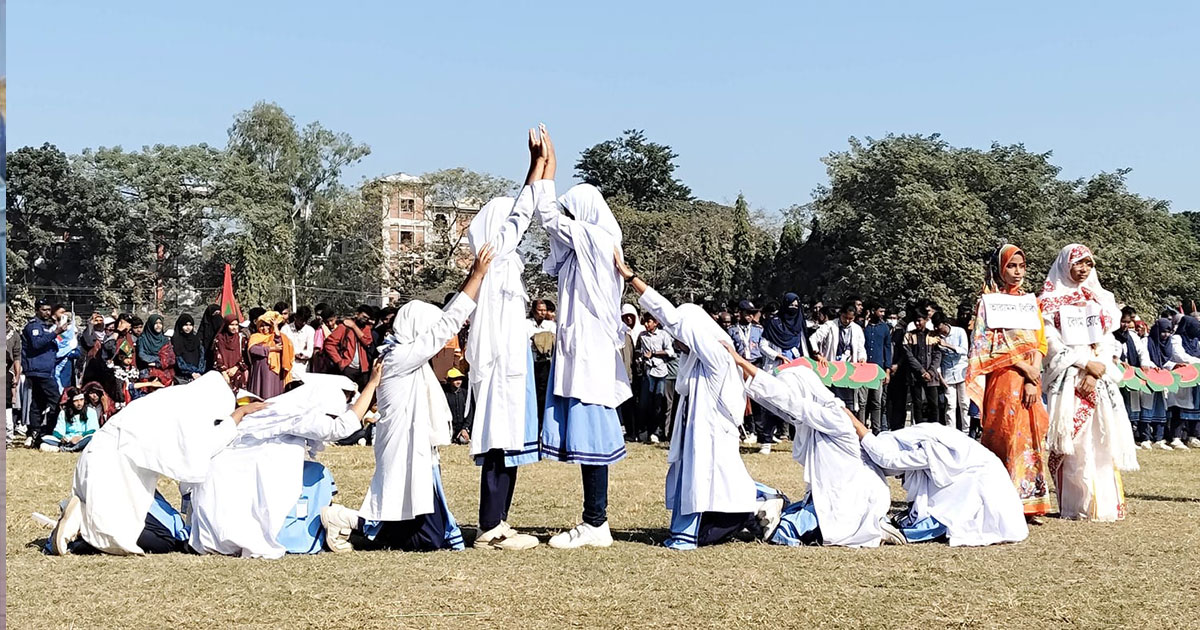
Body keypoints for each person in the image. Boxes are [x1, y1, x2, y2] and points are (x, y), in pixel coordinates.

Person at [319, 244, 494, 553]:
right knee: (426, 538)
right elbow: (447, 325)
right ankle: (346, 520)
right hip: (404, 447)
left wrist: (474, 275)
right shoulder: (401, 355)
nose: (437, 344)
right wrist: (477, 275)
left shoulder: (399, 355)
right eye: (427, 331)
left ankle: (355, 525)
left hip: (411, 447)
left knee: (428, 532)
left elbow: (443, 327)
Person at [617, 253, 784, 549]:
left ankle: (759, 502)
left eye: (678, 333)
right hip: (697, 435)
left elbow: (675, 319)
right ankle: (750, 505)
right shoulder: (694, 359)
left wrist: (632, 279)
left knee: (713, 506)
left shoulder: (716, 353)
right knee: (700, 488)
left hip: (711, 436)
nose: (675, 340)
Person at [532, 125, 632, 549]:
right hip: (584, 351)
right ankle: (594, 521)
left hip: (589, 354)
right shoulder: (588, 246)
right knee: (589, 439)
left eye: (572, 215)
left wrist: (545, 165)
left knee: (593, 440)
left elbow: (547, 217)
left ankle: (596, 523)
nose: (566, 225)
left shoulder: (595, 238)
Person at [47, 371, 267, 555]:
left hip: (98, 461)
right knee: (166, 538)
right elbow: (203, 448)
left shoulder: (164, 400)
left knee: (152, 521)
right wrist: (237, 416)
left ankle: (79, 522)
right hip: (114, 472)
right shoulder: (186, 413)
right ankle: (84, 522)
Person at [185, 370, 381, 558]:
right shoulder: (298, 414)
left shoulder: (276, 408)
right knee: (316, 474)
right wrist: (371, 384)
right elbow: (341, 428)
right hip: (241, 486)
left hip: (217, 491)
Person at [463, 140, 547, 552]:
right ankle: (489, 526)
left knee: (509, 446)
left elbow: (518, 218)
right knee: (499, 445)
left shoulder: (505, 263)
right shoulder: (494, 259)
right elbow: (521, 215)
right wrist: (537, 167)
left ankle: (499, 521)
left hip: (512, 365)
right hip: (500, 368)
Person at [726, 345, 894, 547]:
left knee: (782, 529)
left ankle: (875, 525)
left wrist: (741, 361)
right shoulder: (814, 418)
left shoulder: (832, 416)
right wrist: (738, 370)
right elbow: (772, 400)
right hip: (828, 497)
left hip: (848, 500)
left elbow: (786, 400)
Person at [1038, 244, 1139, 521]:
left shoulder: (1101, 298)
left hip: (1098, 378)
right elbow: (1051, 342)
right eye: (1077, 263)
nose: (1083, 270)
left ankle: (1105, 505)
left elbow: (1108, 339)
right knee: (1075, 440)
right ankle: (1077, 505)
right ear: (1064, 265)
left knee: (1101, 437)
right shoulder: (1048, 301)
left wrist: (1096, 370)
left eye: (1088, 264)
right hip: (1069, 376)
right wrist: (1084, 363)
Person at [966, 244, 1052, 519]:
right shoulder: (988, 303)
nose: (1017, 272)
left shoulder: (1031, 302)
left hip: (1030, 378)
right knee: (1004, 433)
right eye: (1011, 266)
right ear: (1000, 269)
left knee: (1032, 435)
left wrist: (1033, 373)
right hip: (1004, 377)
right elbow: (987, 344)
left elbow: (1040, 341)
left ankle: (1030, 501)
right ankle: (1002, 500)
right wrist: (1024, 368)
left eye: (1021, 266)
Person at [857, 421, 1028, 546]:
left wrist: (856, 426)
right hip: (974, 482)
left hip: (980, 489)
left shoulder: (929, 447)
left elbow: (888, 460)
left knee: (937, 518)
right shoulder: (923, 434)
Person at [1148, 316, 1200, 450]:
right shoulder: (1177, 338)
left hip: (1194, 378)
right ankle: (1175, 437)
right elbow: (1179, 356)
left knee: (1193, 407)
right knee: (1178, 407)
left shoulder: (1195, 341)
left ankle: (1192, 436)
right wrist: (1198, 362)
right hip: (1179, 375)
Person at [21, 299, 68, 446]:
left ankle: (35, 432)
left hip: (45, 370)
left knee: (37, 402)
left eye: (49, 309)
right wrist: (57, 332)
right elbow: (37, 343)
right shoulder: (33, 326)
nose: (47, 312)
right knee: (56, 400)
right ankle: (51, 430)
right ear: (37, 310)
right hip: (38, 370)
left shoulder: (46, 327)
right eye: (44, 309)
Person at [810, 301, 867, 413]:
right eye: (845, 317)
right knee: (831, 402)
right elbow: (813, 339)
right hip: (832, 368)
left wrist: (862, 358)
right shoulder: (830, 325)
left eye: (850, 319)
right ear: (841, 314)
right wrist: (818, 355)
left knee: (848, 406)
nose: (847, 321)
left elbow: (860, 347)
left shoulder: (856, 329)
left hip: (849, 370)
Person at [728, 299, 765, 443]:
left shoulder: (758, 329)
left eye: (752, 313)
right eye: (747, 313)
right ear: (740, 313)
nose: (750, 316)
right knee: (741, 399)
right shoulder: (732, 330)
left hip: (755, 365)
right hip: (739, 366)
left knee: (757, 399)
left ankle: (759, 431)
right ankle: (745, 429)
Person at [899, 306, 943, 425]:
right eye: (916, 321)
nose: (918, 323)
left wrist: (931, 372)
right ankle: (919, 428)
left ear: (926, 320)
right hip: (915, 376)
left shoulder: (933, 336)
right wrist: (922, 371)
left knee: (933, 404)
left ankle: (935, 428)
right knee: (917, 404)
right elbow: (909, 356)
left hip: (931, 376)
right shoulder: (909, 336)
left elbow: (937, 355)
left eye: (920, 320)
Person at [637, 312, 675, 443]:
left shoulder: (663, 335)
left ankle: (657, 432)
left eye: (649, 322)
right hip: (648, 371)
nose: (647, 324)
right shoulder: (642, 336)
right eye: (646, 322)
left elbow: (671, 352)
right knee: (646, 402)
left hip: (661, 372)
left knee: (659, 402)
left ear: (656, 323)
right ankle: (645, 432)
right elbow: (639, 351)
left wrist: (654, 353)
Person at [323, 305, 374, 389]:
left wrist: (353, 326)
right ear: (357, 314)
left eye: (367, 318)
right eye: (363, 316)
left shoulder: (366, 328)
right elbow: (329, 344)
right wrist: (339, 361)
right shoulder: (344, 327)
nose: (365, 320)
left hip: (363, 369)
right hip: (348, 367)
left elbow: (367, 341)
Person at [861, 302, 893, 434]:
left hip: (878, 369)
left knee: (876, 401)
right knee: (862, 402)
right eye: (880, 311)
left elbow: (887, 349)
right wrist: (864, 323)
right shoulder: (862, 326)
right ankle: (861, 427)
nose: (882, 314)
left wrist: (887, 371)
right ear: (873, 311)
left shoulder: (885, 328)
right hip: (863, 369)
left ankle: (877, 429)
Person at [934, 311, 969, 431]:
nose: (937, 329)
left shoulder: (959, 332)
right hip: (947, 373)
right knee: (950, 405)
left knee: (964, 403)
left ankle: (966, 431)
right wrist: (940, 376)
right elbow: (937, 357)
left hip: (962, 371)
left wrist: (947, 345)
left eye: (938, 326)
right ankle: (951, 431)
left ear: (944, 323)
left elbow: (964, 350)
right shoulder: (936, 337)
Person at [247, 311, 295, 400]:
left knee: (274, 395)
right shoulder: (255, 337)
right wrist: (271, 349)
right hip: (260, 371)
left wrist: (276, 326)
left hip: (275, 373)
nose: (265, 328)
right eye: (262, 325)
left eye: (267, 325)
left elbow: (280, 343)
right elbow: (253, 349)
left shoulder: (277, 336)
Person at [41, 388, 100, 453]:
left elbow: (92, 430)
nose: (79, 403)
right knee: (45, 439)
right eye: (76, 401)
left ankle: (67, 449)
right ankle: (73, 448)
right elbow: (57, 431)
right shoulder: (64, 413)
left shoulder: (91, 411)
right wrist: (62, 438)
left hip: (83, 438)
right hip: (68, 440)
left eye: (81, 400)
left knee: (91, 438)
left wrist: (80, 437)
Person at [212, 314, 249, 390]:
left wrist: (236, 368)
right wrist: (224, 372)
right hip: (224, 375)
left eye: (236, 325)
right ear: (226, 325)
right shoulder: (219, 339)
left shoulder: (241, 339)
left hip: (238, 373)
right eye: (231, 325)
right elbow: (217, 357)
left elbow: (245, 357)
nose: (234, 327)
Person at [282, 306, 316, 379]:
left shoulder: (310, 331)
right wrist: (295, 353)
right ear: (296, 317)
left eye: (305, 320)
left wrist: (300, 354)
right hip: (287, 367)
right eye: (301, 320)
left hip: (302, 369)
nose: (303, 323)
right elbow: (283, 348)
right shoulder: (285, 330)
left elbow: (309, 352)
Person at [171, 314, 205, 383]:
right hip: (182, 377)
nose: (188, 327)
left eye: (190, 325)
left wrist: (199, 371)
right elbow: (178, 360)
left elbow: (202, 356)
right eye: (185, 325)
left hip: (198, 375)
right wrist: (191, 372)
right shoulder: (176, 341)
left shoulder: (196, 339)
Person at [444, 368, 473, 445]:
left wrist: (465, 428)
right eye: (455, 379)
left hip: (463, 426)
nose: (458, 381)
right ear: (449, 380)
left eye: (460, 379)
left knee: (463, 440)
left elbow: (470, 412)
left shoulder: (465, 393)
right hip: (450, 427)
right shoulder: (445, 394)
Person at [197, 305, 224, 372]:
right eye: (215, 314)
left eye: (219, 314)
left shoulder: (224, 334)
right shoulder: (201, 334)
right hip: (206, 360)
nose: (217, 317)